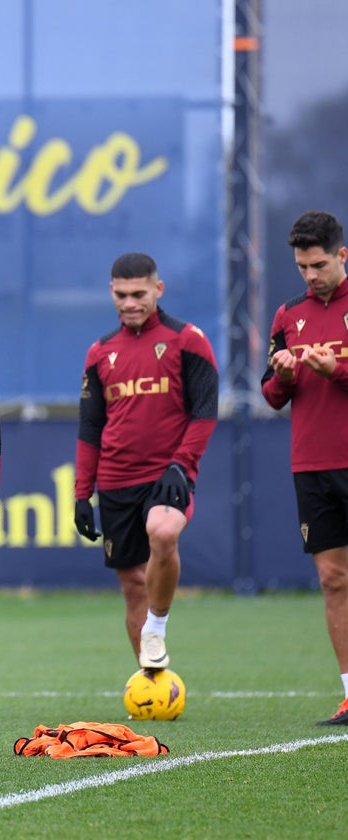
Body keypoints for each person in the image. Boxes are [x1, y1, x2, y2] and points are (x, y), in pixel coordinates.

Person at [73, 252, 218, 673]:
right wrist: (83, 494)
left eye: (139, 293)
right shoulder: (100, 352)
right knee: (133, 585)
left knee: (163, 530)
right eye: (121, 294)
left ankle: (158, 624)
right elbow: (90, 428)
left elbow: (206, 411)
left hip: (167, 475)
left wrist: (182, 464)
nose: (130, 302)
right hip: (115, 480)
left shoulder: (188, 339)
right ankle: (152, 682)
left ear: (158, 289)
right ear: (111, 292)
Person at [262, 210, 348, 726]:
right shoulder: (286, 315)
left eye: (318, 264)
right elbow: (272, 397)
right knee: (333, 579)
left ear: (342, 255)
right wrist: (286, 373)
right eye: (301, 266)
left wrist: (333, 368)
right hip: (312, 465)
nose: (310, 275)